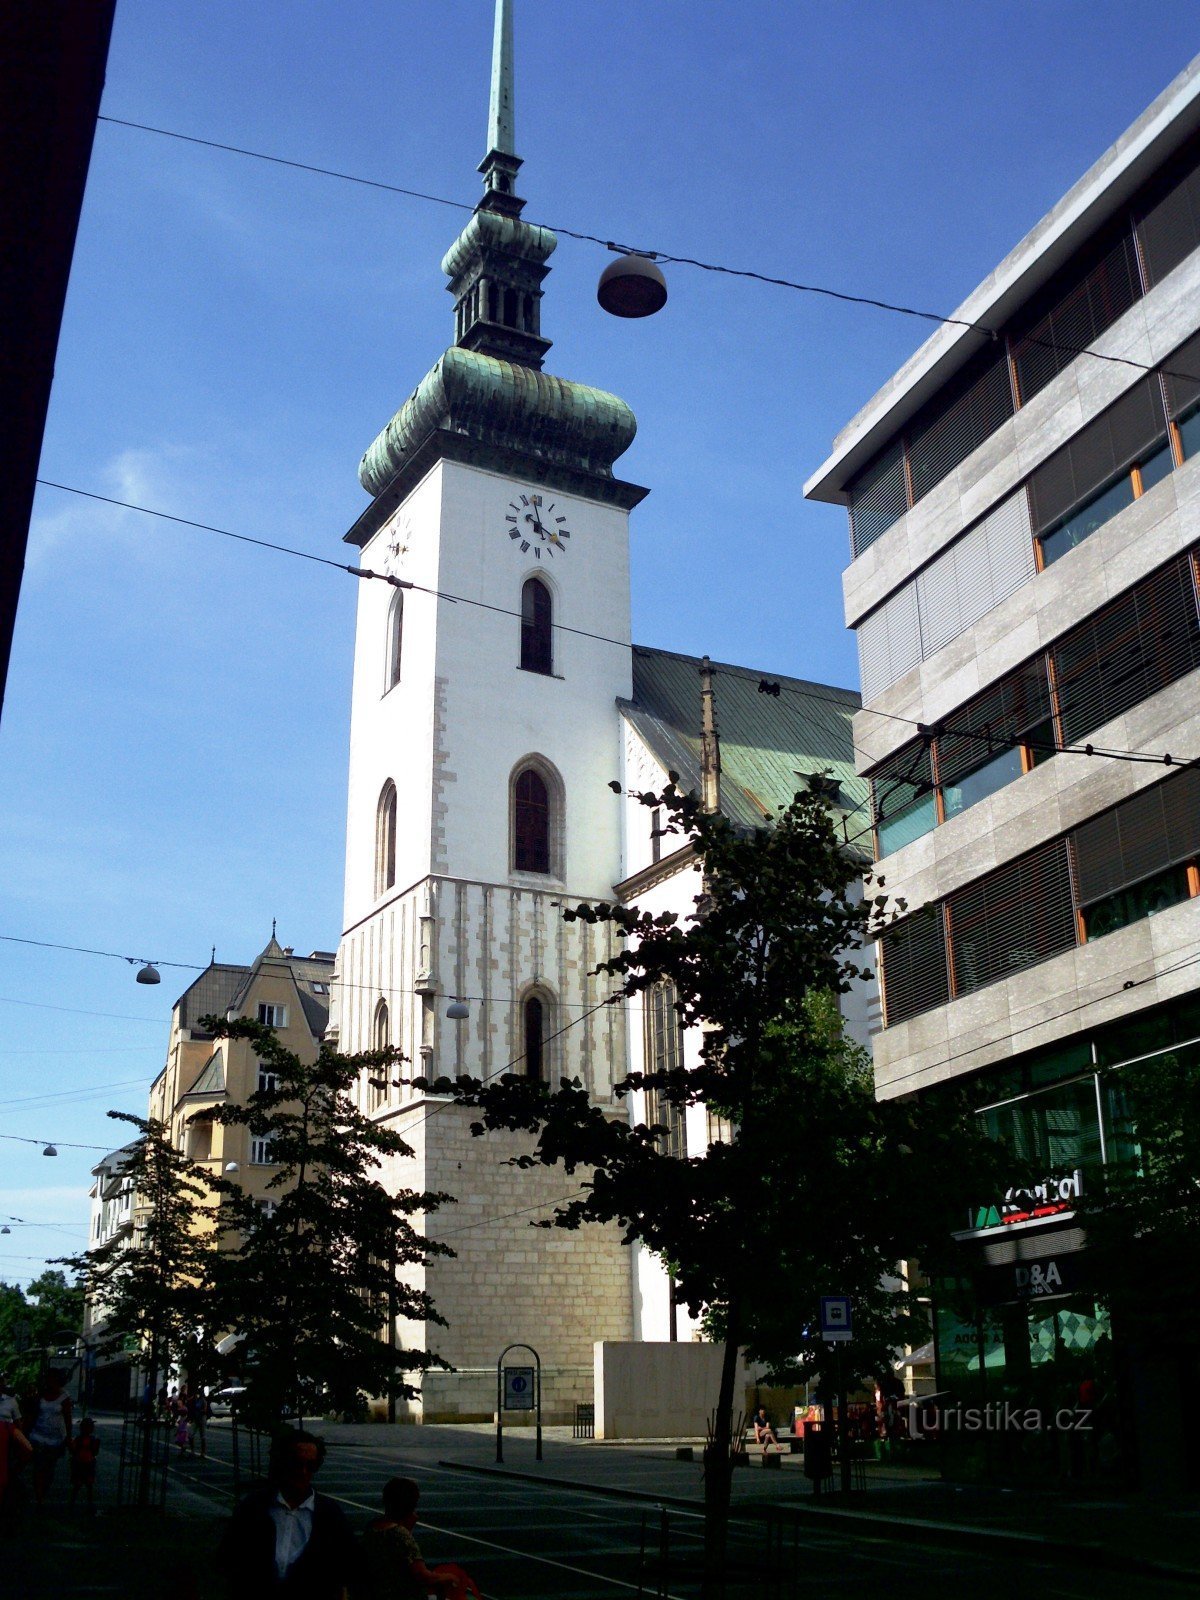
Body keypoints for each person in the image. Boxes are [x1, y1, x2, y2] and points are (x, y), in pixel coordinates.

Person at [221, 1429, 355, 1598]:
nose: (303, 1472)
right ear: (282, 1463)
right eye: (297, 1464)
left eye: (311, 1466)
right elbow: (229, 1561)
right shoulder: (254, 1508)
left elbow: (345, 1571)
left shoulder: (329, 1515)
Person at [358, 1478, 478, 1600]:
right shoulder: (400, 1534)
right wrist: (450, 1577)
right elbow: (422, 1575)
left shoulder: (372, 1526)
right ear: (410, 1505)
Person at [26, 1371, 73, 1505]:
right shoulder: (40, 1395)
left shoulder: (64, 1397)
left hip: (55, 1439)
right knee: (38, 1467)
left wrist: (69, 1438)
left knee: (49, 1469)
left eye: (53, 1381)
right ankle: (38, 1496)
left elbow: (68, 1419)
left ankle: (43, 1492)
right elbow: (32, 1413)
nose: (50, 1384)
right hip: (38, 1436)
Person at [69, 1416, 101, 1512]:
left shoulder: (79, 1439)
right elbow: (95, 1452)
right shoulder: (91, 1439)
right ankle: (88, 1504)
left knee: (79, 1485)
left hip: (82, 1463)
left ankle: (73, 1503)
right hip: (87, 1463)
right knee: (87, 1485)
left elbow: (73, 1451)